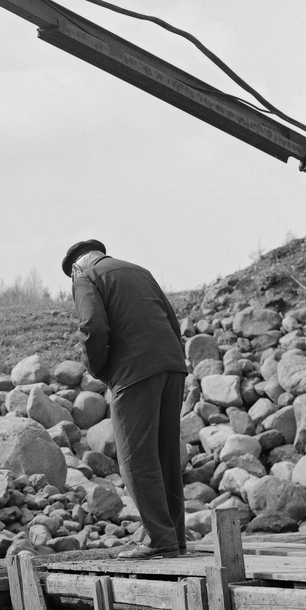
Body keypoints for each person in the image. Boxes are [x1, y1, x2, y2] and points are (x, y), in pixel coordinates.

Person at [62, 239, 188, 559]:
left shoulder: (85, 277)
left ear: (77, 266)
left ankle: (159, 540)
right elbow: (172, 322)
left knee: (134, 458)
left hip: (132, 372)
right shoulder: (139, 271)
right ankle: (172, 536)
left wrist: (100, 370)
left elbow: (92, 325)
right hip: (171, 366)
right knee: (165, 455)